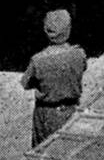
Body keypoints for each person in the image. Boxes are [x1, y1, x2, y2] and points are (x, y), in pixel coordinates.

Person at [20, 9, 87, 147]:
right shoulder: (79, 54)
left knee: (42, 153)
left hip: (46, 115)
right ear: (68, 29)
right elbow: (82, 68)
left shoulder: (38, 60)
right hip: (71, 110)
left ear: (46, 31)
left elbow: (25, 83)